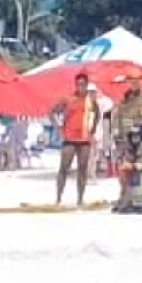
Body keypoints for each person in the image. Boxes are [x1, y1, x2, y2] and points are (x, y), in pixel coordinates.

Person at [54, 75, 101, 205]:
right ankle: (58, 198)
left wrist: (92, 130)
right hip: (69, 138)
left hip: (84, 139)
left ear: (86, 85)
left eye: (82, 84)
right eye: (78, 84)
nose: (80, 87)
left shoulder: (90, 100)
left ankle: (80, 199)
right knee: (64, 168)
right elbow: (53, 112)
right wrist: (59, 128)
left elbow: (97, 114)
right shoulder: (69, 99)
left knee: (82, 169)